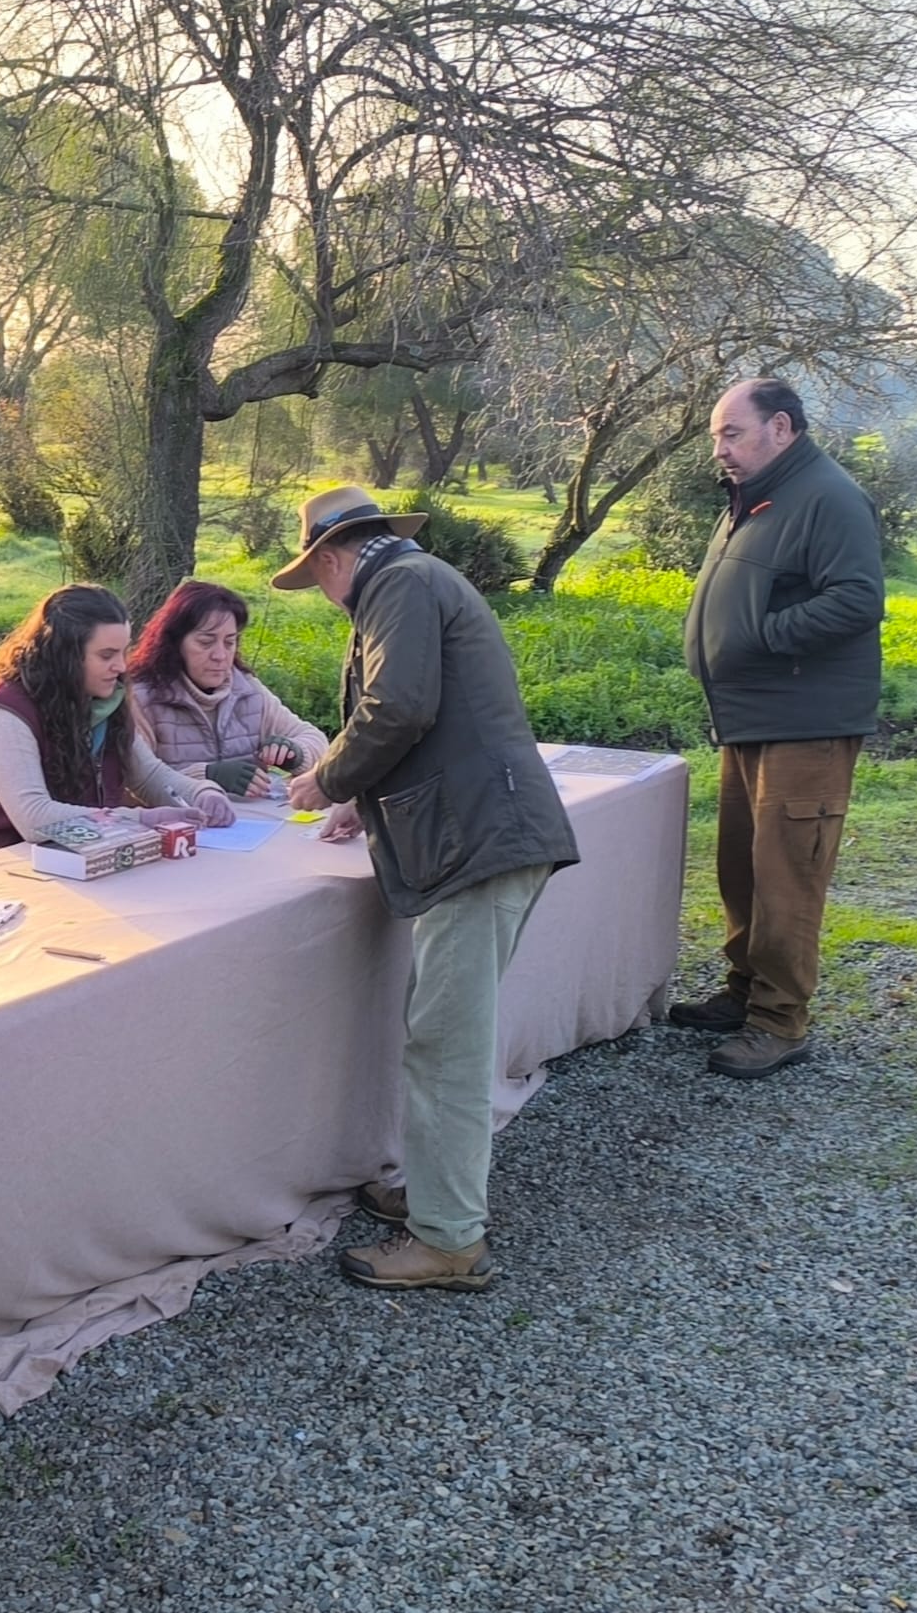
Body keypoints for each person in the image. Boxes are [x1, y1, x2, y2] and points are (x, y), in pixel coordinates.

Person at [276, 484, 579, 1294]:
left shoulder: (398, 585)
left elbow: (399, 707)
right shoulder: (413, 577)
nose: (324, 596)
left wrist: (330, 779)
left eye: (317, 579)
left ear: (331, 559)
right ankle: (434, 1193)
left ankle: (447, 1238)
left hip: (472, 841)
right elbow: (427, 719)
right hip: (478, 833)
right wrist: (363, 800)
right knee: (446, 1034)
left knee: (446, 1045)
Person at [673, 379, 884, 1078]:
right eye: (716, 435)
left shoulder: (828, 496)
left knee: (787, 876)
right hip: (750, 716)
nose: (719, 449)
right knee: (741, 865)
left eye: (731, 433)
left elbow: (857, 600)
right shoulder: (757, 496)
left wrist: (761, 636)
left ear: (782, 429)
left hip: (805, 721)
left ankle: (779, 1021)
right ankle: (744, 991)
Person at [0, 583, 235, 867]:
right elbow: (34, 817)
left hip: (66, 866)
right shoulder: (3, 713)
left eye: (123, 652)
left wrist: (203, 794)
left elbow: (150, 775)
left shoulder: (105, 699)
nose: (121, 666)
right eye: (106, 655)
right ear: (65, 656)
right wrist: (139, 820)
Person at [128, 580, 327, 796]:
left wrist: (295, 753)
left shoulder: (247, 690)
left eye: (229, 642)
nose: (220, 655)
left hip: (253, 815)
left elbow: (317, 741)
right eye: (206, 642)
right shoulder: (141, 698)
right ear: (174, 643)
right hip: (181, 816)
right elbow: (137, 783)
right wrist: (207, 776)